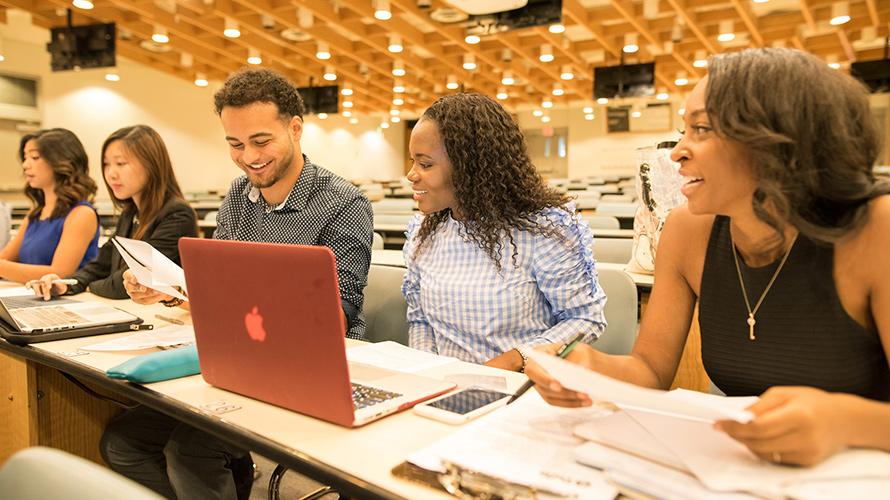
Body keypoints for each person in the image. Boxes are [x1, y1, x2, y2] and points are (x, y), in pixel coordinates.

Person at [527, 48, 890, 467]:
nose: (677, 151)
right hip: (745, 471)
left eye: (700, 129)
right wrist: (587, 367)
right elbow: (649, 371)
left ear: (776, 140)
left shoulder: (874, 228)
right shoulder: (686, 232)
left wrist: (845, 422)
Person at [101, 68, 373, 500]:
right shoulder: (237, 195)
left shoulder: (343, 202)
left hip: (307, 373)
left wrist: (245, 308)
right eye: (235, 144)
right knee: (122, 441)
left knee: (188, 450)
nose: (249, 156)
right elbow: (220, 294)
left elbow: (336, 321)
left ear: (296, 128)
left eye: (261, 141)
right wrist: (172, 292)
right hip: (236, 360)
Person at [402, 92, 607, 372]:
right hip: (442, 388)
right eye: (413, 161)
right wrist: (425, 370)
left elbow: (585, 318)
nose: (411, 174)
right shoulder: (423, 234)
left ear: (468, 167)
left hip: (520, 387)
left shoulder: (544, 231)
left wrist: (518, 358)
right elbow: (420, 320)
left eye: (425, 164)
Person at [29, 125, 198, 300]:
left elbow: (123, 285)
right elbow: (101, 265)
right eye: (106, 164)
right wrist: (67, 284)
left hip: (169, 321)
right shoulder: (130, 213)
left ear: (151, 164)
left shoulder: (177, 214)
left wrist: (88, 287)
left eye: (120, 163)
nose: (110, 173)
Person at [0, 129, 99, 283]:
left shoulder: (82, 214)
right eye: (25, 158)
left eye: (35, 157)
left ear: (60, 161)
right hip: (29, 298)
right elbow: (4, 258)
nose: (25, 165)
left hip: (66, 302)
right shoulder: (36, 213)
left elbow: (59, 273)